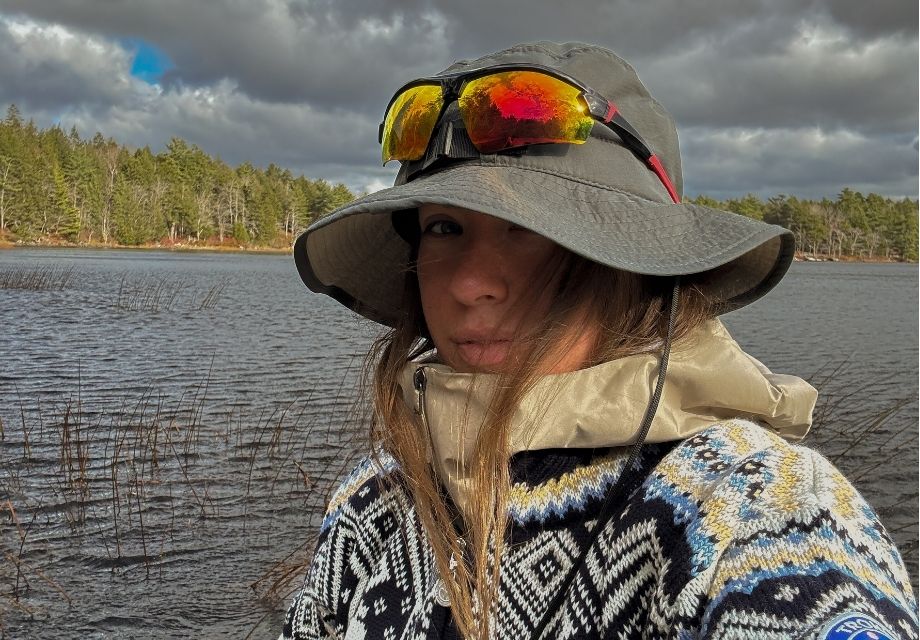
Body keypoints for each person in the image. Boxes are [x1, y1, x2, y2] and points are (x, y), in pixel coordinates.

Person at [281, 42, 918, 639]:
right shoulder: (379, 496)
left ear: (637, 265)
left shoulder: (753, 505)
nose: (470, 284)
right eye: (444, 228)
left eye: (528, 229)